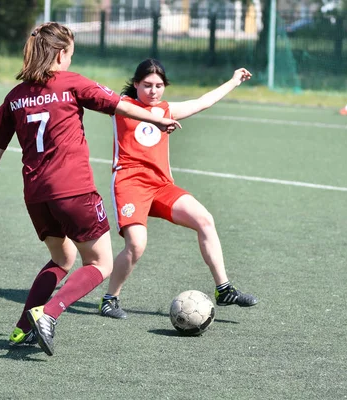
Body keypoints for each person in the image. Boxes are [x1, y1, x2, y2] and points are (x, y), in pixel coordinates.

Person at [0, 23, 180, 356]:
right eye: (70, 53)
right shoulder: (71, 82)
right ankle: (48, 314)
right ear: (60, 53)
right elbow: (119, 104)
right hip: (73, 190)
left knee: (62, 256)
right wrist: (155, 120)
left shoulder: (15, 96)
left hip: (36, 194)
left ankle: (21, 328)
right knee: (100, 264)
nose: (71, 59)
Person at [98, 59, 258, 320]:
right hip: (130, 185)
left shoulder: (166, 109)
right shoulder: (123, 107)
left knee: (205, 220)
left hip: (161, 185)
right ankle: (109, 299)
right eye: (147, 85)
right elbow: (93, 97)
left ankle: (224, 289)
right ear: (136, 84)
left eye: (159, 85)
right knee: (136, 245)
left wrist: (233, 81)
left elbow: (203, 102)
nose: (153, 91)